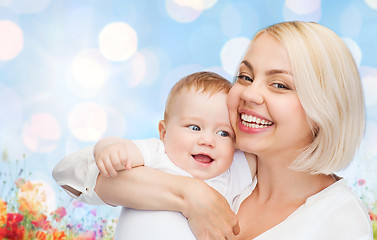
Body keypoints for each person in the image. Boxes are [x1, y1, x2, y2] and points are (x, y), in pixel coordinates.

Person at [55, 21, 373, 239]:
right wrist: (191, 195)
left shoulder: (340, 220)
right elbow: (72, 174)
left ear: (325, 108)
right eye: (245, 77)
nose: (249, 94)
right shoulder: (221, 161)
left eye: (279, 84)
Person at [53, 71, 255, 239]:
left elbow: (268, 155)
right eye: (194, 127)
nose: (208, 140)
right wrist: (108, 147)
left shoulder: (228, 174)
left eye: (223, 133)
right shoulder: (157, 153)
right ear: (164, 133)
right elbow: (118, 151)